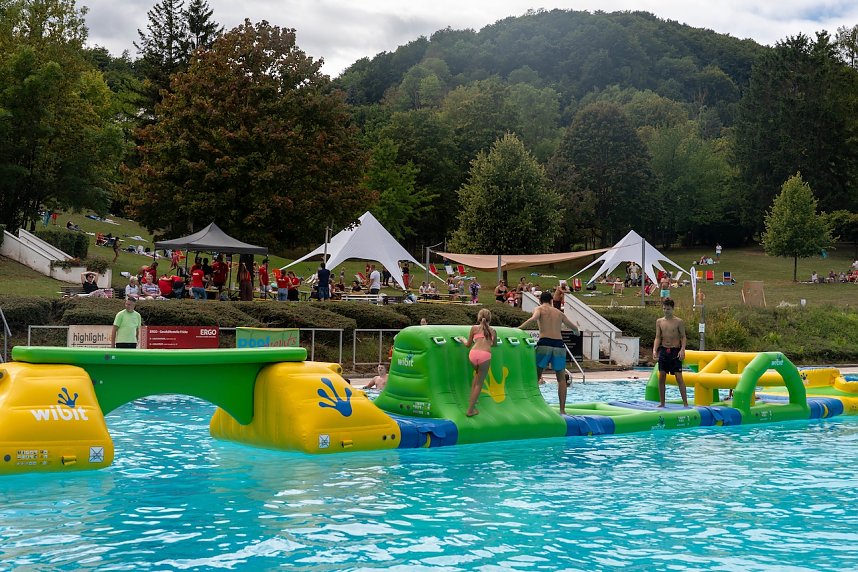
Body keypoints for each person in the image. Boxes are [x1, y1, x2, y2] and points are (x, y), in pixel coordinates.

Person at [519, 291, 580, 415]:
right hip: (559, 345)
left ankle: (532, 407)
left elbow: (534, 318)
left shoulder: (539, 309)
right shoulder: (559, 313)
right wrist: (576, 332)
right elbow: (574, 328)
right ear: (552, 301)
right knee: (561, 379)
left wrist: (519, 328)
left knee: (535, 377)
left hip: (545, 343)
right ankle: (562, 410)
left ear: (540, 300)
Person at [653, 297, 688, 407]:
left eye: (668, 309)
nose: (666, 311)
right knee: (662, 376)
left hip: (675, 351)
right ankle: (662, 403)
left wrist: (682, 350)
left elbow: (683, 337)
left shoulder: (678, 322)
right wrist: (655, 350)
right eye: (664, 308)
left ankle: (685, 403)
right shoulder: (659, 321)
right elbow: (658, 337)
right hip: (664, 350)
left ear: (672, 309)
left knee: (678, 377)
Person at [463, 308, 496, 417]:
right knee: (479, 383)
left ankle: (473, 400)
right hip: (484, 356)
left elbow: (468, 344)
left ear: (479, 317)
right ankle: (470, 410)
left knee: (476, 376)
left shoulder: (474, 328)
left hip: (473, 354)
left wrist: (462, 339)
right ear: (489, 318)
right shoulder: (493, 331)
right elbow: (493, 344)